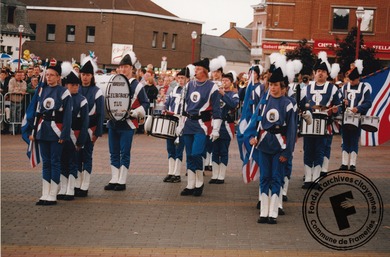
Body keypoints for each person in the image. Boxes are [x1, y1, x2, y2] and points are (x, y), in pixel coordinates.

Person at [246, 58, 296, 224]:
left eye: (277, 85)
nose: (273, 88)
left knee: (276, 178)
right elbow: (255, 122)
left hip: (279, 147)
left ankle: (273, 213)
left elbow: (291, 131)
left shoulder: (288, 105)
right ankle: (263, 212)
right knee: (264, 178)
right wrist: (252, 137)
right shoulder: (263, 103)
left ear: (282, 87)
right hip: (263, 145)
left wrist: (287, 152)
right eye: (271, 85)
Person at [27, 59, 72, 205]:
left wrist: (64, 134)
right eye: (47, 75)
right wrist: (33, 131)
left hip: (56, 130)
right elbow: (37, 112)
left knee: (55, 161)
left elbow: (67, 116)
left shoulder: (64, 92)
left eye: (52, 75)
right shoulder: (42, 90)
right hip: (42, 130)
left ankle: (53, 193)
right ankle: (44, 193)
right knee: (46, 162)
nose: (49, 78)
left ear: (59, 77)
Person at [104, 51, 149, 191]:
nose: (122, 69)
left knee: (124, 151)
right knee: (113, 151)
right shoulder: (114, 82)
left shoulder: (138, 86)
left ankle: (122, 180)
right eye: (121, 67)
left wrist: (135, 112)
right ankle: (114, 178)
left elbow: (146, 103)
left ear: (131, 68)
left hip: (128, 123)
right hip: (113, 122)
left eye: (126, 67)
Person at [176, 57, 222, 197]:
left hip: (202, 125)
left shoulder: (212, 87)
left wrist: (216, 129)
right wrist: (180, 124)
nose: (195, 71)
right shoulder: (189, 85)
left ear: (205, 71)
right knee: (189, 155)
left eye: (198, 69)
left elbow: (216, 110)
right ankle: (190, 184)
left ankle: (199, 182)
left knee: (197, 153)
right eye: (195, 69)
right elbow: (184, 107)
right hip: (189, 123)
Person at [301, 52, 341, 189]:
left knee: (320, 151)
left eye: (323, 71)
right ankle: (307, 178)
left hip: (324, 123)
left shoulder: (333, 88)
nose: (320, 73)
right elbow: (301, 104)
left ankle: (316, 179)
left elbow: (338, 105)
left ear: (327, 74)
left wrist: (336, 110)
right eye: (318, 71)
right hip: (309, 123)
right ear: (314, 73)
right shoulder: (307, 88)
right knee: (308, 150)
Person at [57, 64, 89, 201]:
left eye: (77, 85)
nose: (75, 87)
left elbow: (85, 122)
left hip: (76, 135)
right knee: (62, 161)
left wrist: (81, 140)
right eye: (71, 85)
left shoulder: (82, 100)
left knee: (73, 162)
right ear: (66, 85)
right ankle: (63, 187)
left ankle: (71, 188)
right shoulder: (62, 98)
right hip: (63, 133)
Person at [75, 56, 104, 197]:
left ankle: (85, 186)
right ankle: (77, 184)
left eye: (87, 75)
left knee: (87, 156)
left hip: (90, 129)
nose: (85, 77)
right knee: (76, 156)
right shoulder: (76, 89)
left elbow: (100, 114)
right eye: (83, 74)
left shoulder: (97, 91)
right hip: (77, 129)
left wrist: (97, 133)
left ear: (92, 76)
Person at [339, 59, 372, 171]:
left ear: (358, 78)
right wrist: (343, 102)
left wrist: (357, 108)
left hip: (357, 118)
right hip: (345, 117)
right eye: (350, 80)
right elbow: (338, 100)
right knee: (345, 139)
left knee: (354, 140)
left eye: (353, 80)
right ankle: (344, 163)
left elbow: (368, 103)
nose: (351, 82)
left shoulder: (364, 88)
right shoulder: (344, 87)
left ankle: (352, 164)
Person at [162, 66, 192, 183]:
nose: (180, 80)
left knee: (179, 147)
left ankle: (177, 173)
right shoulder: (174, 90)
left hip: (182, 122)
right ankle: (171, 172)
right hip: (172, 120)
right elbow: (168, 102)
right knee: (170, 147)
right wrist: (165, 109)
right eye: (179, 78)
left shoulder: (189, 91)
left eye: (183, 78)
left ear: (188, 79)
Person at [209, 71, 239, 184]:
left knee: (223, 151)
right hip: (215, 125)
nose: (224, 82)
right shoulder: (215, 93)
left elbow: (233, 104)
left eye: (226, 81)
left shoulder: (233, 94)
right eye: (223, 80)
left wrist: (223, 94)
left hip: (226, 126)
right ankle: (214, 175)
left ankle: (221, 176)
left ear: (231, 83)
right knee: (214, 150)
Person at [204, 55, 226, 172]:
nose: (215, 74)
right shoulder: (209, 84)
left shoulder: (224, 83)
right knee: (208, 139)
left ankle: (213, 162)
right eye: (213, 72)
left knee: (217, 142)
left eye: (217, 72)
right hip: (210, 113)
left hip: (220, 113)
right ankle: (207, 161)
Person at [7, 70, 27, 134]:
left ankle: (17, 130)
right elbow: (11, 90)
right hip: (13, 101)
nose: (19, 77)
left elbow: (24, 89)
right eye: (18, 75)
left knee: (19, 116)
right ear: (15, 75)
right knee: (13, 115)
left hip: (20, 101)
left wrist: (17, 90)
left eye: (20, 75)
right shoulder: (11, 81)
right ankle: (12, 130)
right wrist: (20, 91)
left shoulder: (24, 82)